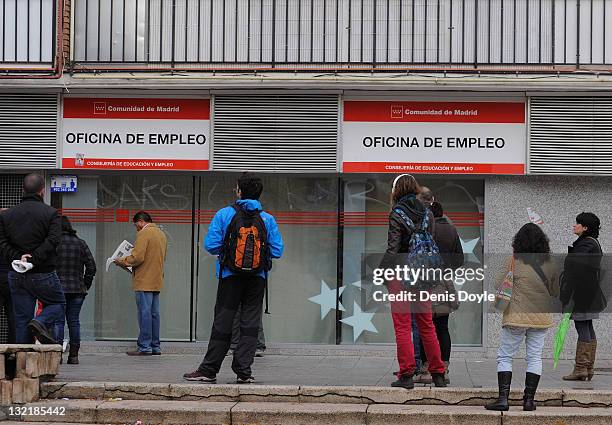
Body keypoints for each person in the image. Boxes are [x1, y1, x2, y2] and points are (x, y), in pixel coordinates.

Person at [183, 172, 284, 384]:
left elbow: (211, 245)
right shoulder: (267, 219)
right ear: (259, 193)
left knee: (223, 322)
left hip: (230, 276)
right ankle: (243, 371)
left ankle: (209, 369)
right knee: (250, 324)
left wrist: (229, 253)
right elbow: (277, 251)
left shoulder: (224, 214)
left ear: (239, 191)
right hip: (257, 280)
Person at [382, 174, 446, 389]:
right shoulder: (428, 213)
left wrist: (383, 272)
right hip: (423, 274)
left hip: (400, 274)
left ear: (396, 190)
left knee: (402, 326)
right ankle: (438, 373)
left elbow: (393, 249)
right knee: (426, 324)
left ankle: (407, 374)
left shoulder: (397, 213)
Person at [485, 223, 559, 412]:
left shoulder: (514, 260)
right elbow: (555, 291)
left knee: (505, 356)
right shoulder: (549, 262)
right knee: (534, 357)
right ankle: (528, 401)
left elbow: (496, 283)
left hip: (516, 316)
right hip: (540, 317)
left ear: (518, 241)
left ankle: (503, 399)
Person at [0, 173, 64, 344]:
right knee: (58, 304)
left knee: (21, 319)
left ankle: (23, 363)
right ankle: (40, 321)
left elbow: (2, 242)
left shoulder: (7, 215)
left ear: (23, 190)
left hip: (17, 272)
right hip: (43, 272)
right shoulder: (51, 213)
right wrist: (34, 259)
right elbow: (53, 240)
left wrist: (18, 258)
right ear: (42, 190)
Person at [417, 201, 463, 384]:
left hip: (424, 282)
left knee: (425, 326)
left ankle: (427, 366)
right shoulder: (451, 231)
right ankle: (444, 367)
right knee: (442, 327)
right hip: (444, 282)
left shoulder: (425, 231)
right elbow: (459, 259)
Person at [115, 211, 168, 356]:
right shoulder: (161, 234)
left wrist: (121, 261)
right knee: (154, 314)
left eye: (136, 225)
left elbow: (137, 257)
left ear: (140, 222)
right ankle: (155, 346)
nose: (136, 228)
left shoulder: (144, 234)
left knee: (144, 313)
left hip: (144, 280)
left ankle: (145, 347)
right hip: (156, 280)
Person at [561, 212, 604, 381]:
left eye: (577, 223)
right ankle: (588, 368)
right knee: (587, 327)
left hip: (581, 295)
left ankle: (581, 368)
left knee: (582, 327)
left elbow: (576, 270)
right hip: (590, 293)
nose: (574, 225)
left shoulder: (585, 244)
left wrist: (567, 293)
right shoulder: (592, 243)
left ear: (585, 227)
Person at [56, 216, 97, 364]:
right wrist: (86, 284)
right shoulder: (81, 243)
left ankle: (57, 355)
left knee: (58, 322)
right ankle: (74, 356)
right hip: (78, 289)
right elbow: (92, 266)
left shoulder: (54, 243)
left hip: (57, 289)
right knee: (74, 322)